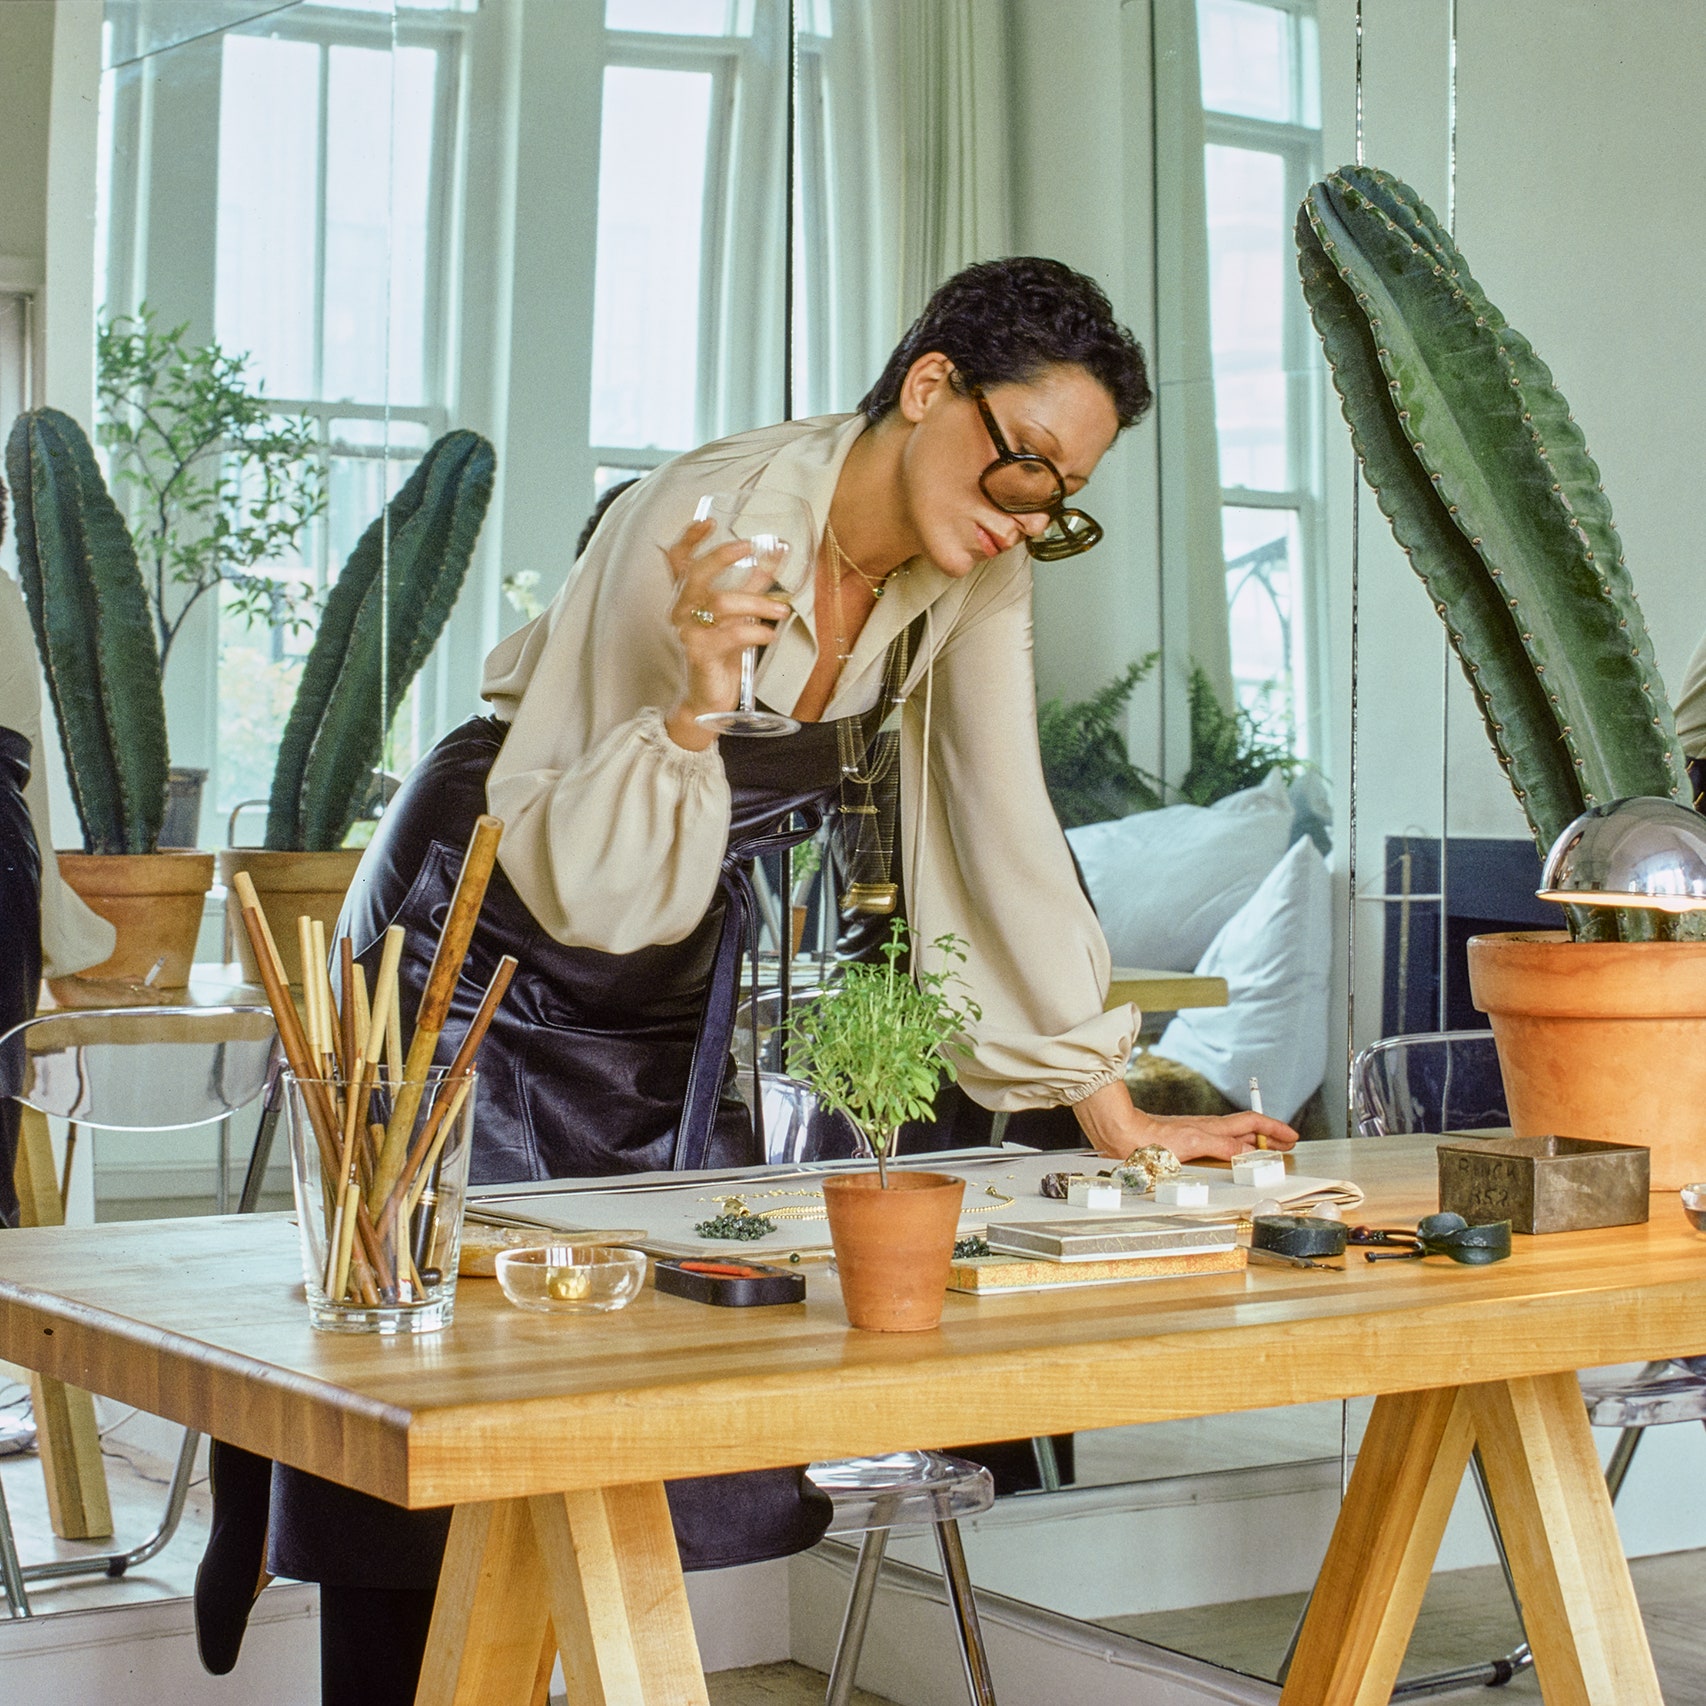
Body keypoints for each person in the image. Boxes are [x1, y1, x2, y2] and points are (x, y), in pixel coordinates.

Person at [198, 256, 1296, 1702]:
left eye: (1057, 496)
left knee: (644, 1374)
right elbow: (588, 869)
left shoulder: (973, 564)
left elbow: (997, 821)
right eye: (1021, 464)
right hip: (488, 913)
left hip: (659, 940)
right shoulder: (704, 520)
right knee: (432, 1372)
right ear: (927, 389)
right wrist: (698, 703)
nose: (1025, 512)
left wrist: (1108, 1105)